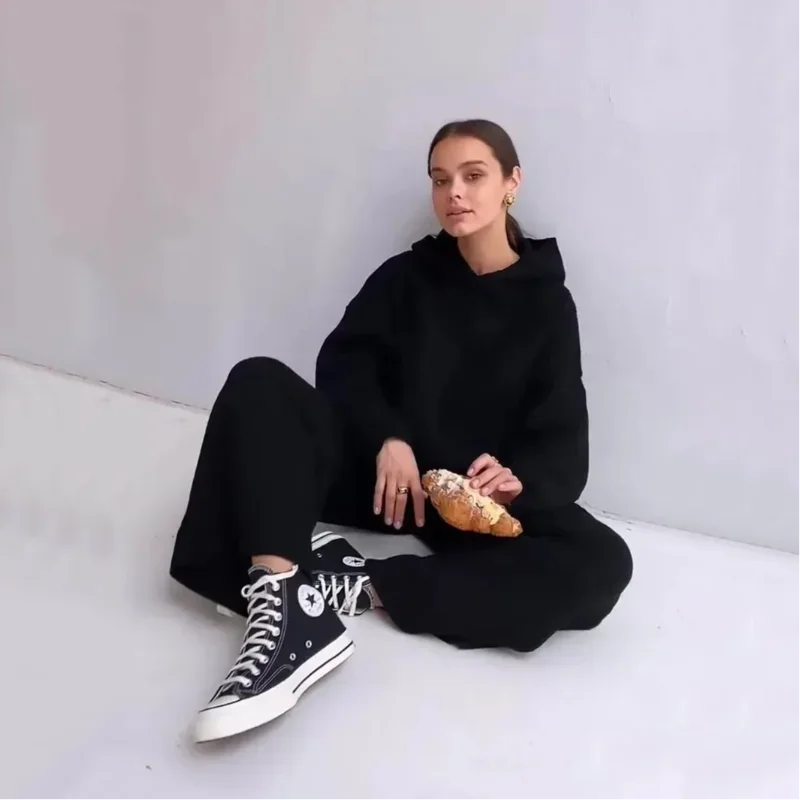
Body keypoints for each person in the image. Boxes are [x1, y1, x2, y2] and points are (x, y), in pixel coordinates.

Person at [169, 119, 633, 743]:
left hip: (470, 509)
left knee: (603, 562)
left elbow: (564, 432)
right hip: (383, 481)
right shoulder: (406, 276)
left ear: (512, 183)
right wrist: (388, 437)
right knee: (259, 382)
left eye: (473, 176)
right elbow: (344, 365)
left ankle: (361, 583)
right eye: (441, 180)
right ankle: (284, 600)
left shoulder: (548, 305)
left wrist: (517, 481)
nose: (454, 193)